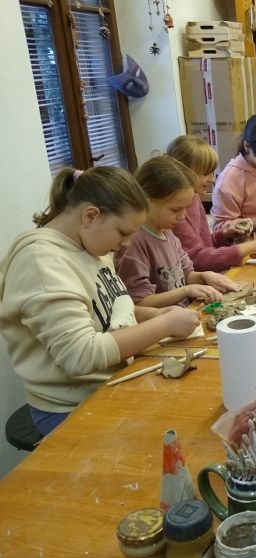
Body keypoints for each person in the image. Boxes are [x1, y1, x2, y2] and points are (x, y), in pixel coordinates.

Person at [0, 167, 199, 436]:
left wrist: (149, 315)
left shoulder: (92, 245)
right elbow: (80, 355)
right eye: (123, 233)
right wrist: (164, 325)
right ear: (90, 216)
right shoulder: (41, 263)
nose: (127, 244)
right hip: (72, 407)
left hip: (114, 383)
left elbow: (103, 311)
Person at [115, 156, 239, 308]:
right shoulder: (134, 243)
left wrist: (204, 276)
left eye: (186, 208)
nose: (183, 216)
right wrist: (186, 291)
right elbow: (139, 303)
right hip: (164, 320)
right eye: (175, 210)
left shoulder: (167, 232)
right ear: (147, 202)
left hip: (186, 312)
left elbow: (187, 275)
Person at [167, 135, 256, 272]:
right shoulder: (177, 211)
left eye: (212, 173)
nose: (212, 180)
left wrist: (225, 234)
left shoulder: (194, 198)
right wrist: (251, 246)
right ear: (183, 173)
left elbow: (204, 245)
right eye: (205, 174)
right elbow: (198, 259)